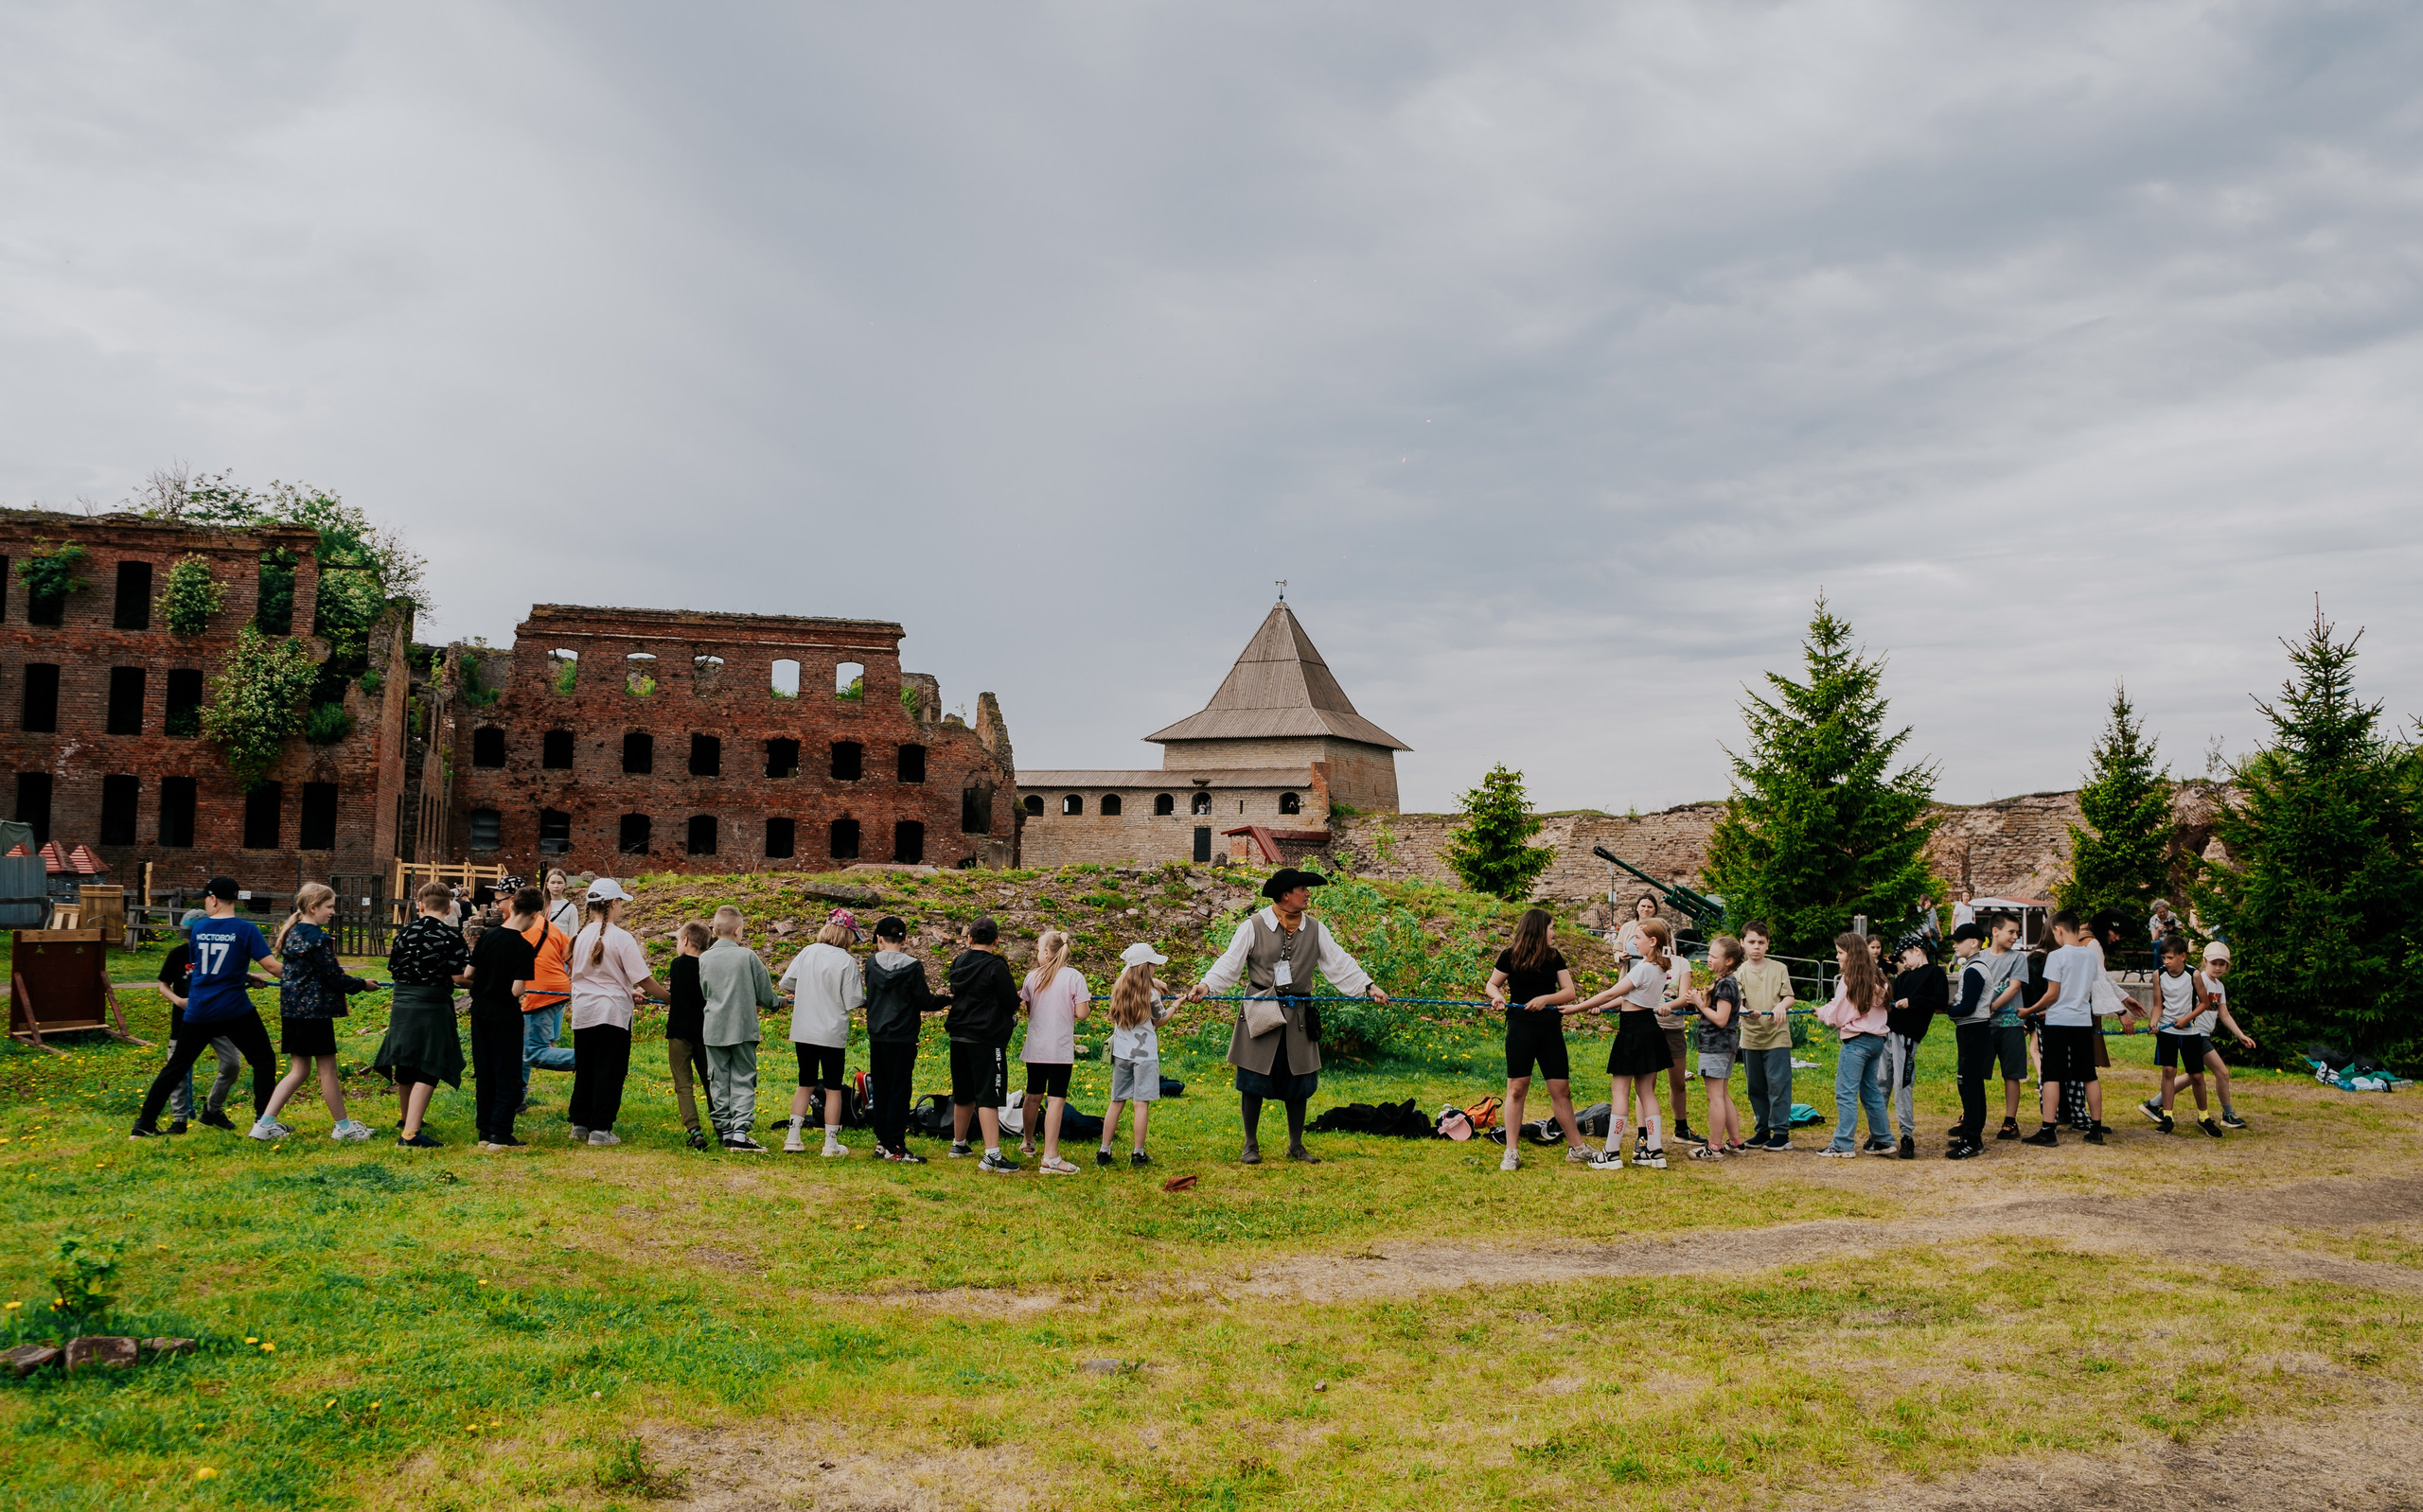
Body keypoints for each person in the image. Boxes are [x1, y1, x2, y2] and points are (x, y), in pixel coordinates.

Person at [1185, 867, 1388, 1166]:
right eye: (1303, 889)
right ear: (1285, 895)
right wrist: (1206, 985)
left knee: (1299, 1081)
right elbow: (1230, 962)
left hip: (1298, 1015)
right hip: (1260, 1011)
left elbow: (1339, 963)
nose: (1308, 894)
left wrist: (1368, 986)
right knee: (1253, 1079)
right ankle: (1250, 1145)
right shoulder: (1253, 926)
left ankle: (1296, 1145)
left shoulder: (1316, 929)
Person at [132, 878, 286, 1139]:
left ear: (213, 899)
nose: (205, 902)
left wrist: (244, 975)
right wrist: (309, 975)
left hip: (199, 1010)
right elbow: (272, 967)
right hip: (233, 1010)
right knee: (263, 1060)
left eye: (205, 898)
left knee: (176, 1067)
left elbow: (205, 965)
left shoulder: (200, 928)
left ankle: (143, 1124)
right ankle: (263, 1121)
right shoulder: (246, 929)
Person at [256, 883, 379, 1141]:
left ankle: (264, 1124)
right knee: (327, 1072)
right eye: (329, 906)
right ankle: (344, 1128)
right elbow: (334, 977)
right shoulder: (318, 939)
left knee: (299, 1071)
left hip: (292, 1011)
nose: (333, 912)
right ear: (313, 907)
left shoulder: (292, 934)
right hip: (315, 1014)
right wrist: (363, 985)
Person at [1483, 907, 1588, 1170]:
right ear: (1538, 929)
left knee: (1561, 1090)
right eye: (1551, 927)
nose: (1554, 932)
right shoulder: (1510, 956)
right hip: (1520, 1028)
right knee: (1517, 1089)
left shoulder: (1554, 957)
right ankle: (1511, 1151)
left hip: (1549, 1030)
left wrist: (1545, 999)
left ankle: (1577, 1148)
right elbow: (1491, 984)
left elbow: (1569, 992)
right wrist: (1497, 997)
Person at [566, 878, 668, 1148]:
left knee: (586, 1068)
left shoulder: (580, 936)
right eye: (620, 902)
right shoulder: (621, 937)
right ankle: (601, 1129)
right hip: (612, 1014)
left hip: (584, 1012)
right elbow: (643, 978)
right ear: (612, 903)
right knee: (609, 1070)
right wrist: (670, 998)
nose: (621, 907)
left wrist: (624, 989)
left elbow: (588, 976)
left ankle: (580, 1123)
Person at [1574, 916, 1678, 1169]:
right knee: (1647, 1092)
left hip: (1633, 1032)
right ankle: (1655, 1151)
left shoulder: (1642, 968)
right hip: (1649, 1031)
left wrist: (1576, 1007)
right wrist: (1599, 1007)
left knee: (1620, 1092)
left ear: (1653, 942)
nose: (1633, 942)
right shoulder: (1661, 968)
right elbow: (1626, 998)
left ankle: (1610, 1153)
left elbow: (1613, 992)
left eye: (1638, 938)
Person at [377, 882, 473, 1148]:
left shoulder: (404, 933)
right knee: (430, 1064)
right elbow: (459, 977)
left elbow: (393, 969)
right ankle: (410, 1135)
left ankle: (406, 1117)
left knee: (406, 1061)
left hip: (402, 1003)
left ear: (420, 905)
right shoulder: (451, 936)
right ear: (448, 907)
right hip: (431, 1004)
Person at [864, 914, 950, 1162]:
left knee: (880, 1089)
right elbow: (925, 1001)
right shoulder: (913, 966)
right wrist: (947, 998)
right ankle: (896, 1146)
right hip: (902, 1037)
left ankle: (882, 1141)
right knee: (899, 1091)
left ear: (879, 938)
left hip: (877, 1037)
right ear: (905, 939)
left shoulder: (871, 963)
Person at [780, 909, 865, 1156]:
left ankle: (793, 1137)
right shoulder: (846, 961)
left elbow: (786, 982)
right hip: (831, 1033)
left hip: (804, 1029)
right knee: (832, 1088)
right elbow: (853, 1001)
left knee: (804, 1084)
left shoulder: (808, 952)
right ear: (847, 934)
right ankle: (830, 1144)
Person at [2020, 910, 2110, 1147]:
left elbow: (2053, 994)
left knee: (2052, 1076)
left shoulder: (2056, 956)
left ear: (2058, 930)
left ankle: (2048, 1130)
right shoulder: (2090, 956)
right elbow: (2083, 990)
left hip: (2058, 1022)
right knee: (2088, 1075)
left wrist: (2029, 1010)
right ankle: (2096, 1128)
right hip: (2082, 1021)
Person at [466, 887, 542, 1151]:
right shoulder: (523, 946)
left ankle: (484, 1130)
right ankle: (501, 1132)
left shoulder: (488, 936)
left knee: (485, 1070)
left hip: (480, 1010)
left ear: (512, 906)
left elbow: (468, 972)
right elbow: (516, 989)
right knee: (507, 1072)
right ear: (535, 914)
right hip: (505, 1014)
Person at [699, 905, 779, 1153]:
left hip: (713, 1028)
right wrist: (777, 1003)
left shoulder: (704, 958)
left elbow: (704, 991)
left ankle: (724, 1130)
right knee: (743, 1077)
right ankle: (740, 1132)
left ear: (714, 930)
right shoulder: (747, 956)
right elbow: (765, 993)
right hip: (742, 1027)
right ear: (737, 930)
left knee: (718, 1079)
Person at [158, 909, 245, 1134]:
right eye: (187, 935)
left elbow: (231, 976)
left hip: (217, 1018)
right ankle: (179, 1120)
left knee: (232, 1065)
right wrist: (178, 1001)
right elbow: (163, 985)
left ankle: (213, 1110)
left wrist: (250, 979)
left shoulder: (218, 953)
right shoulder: (177, 955)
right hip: (184, 1021)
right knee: (177, 1070)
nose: (189, 940)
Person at [946, 916, 1022, 1172]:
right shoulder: (996, 966)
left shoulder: (958, 961)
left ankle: (959, 1143)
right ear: (996, 941)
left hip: (958, 1035)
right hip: (986, 1038)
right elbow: (1011, 1001)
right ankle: (992, 1154)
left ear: (969, 939)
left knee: (963, 1092)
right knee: (988, 1094)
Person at [1017, 930, 1090, 1175]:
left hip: (1036, 1047)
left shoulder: (1031, 977)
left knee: (1033, 1095)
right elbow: (1082, 1013)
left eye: (1038, 949)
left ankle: (1028, 1142)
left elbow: (1028, 1008)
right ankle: (1051, 1156)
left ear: (1046, 953)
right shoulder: (1074, 977)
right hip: (1059, 1048)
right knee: (1056, 1099)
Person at [1815, 933, 1892, 1157]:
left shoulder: (1850, 980)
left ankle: (1842, 1144)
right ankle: (1883, 1140)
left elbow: (1837, 1016)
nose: (1837, 957)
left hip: (1856, 1042)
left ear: (1852, 954)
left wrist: (1820, 1012)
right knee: (1870, 1092)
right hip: (1876, 1041)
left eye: (1840, 953)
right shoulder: (1878, 978)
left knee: (1845, 1092)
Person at [1100, 942, 1173, 1168]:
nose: (1155, 970)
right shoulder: (1151, 995)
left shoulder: (1119, 987)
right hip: (1145, 1056)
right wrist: (1176, 1006)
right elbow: (1160, 1020)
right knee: (1140, 1104)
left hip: (1121, 1054)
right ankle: (1138, 1153)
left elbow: (1128, 971)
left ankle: (1104, 1150)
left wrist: (1155, 981)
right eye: (1153, 966)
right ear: (1147, 968)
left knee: (1116, 1101)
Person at [1884, 940, 1946, 1160]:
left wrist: (1912, 1002)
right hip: (1887, 1034)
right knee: (1882, 1082)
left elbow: (1940, 1000)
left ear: (1917, 951)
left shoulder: (1935, 974)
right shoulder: (1904, 977)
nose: (1905, 963)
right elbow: (1890, 997)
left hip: (1907, 1036)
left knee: (1902, 1084)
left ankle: (1906, 1134)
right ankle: (1879, 1132)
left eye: (1905, 958)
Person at [1735, 922, 1795, 1151]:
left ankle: (1781, 1132)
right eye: (1751, 942)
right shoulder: (1739, 972)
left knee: (1778, 1084)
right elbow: (1737, 1003)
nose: (1756, 947)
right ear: (1742, 943)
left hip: (1777, 1036)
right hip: (1750, 1037)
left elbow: (1789, 997)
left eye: (1761, 942)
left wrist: (1781, 1006)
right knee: (1756, 1086)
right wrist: (1743, 1012)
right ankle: (1762, 1130)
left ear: (1768, 944)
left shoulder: (1779, 968)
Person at [1687, 936, 1747, 1159]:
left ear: (1729, 960)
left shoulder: (1725, 984)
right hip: (1725, 1045)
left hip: (1716, 1045)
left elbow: (1721, 1019)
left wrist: (1698, 1003)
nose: (1708, 959)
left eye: (1714, 956)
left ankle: (1714, 1147)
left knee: (1715, 1097)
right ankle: (1736, 1142)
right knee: (1722, 1094)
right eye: (1709, 954)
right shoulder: (1726, 982)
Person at [1973, 914, 2032, 1140]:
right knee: (1976, 1072)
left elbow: (2014, 988)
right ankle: (1971, 1114)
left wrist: (1992, 1007)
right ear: (1995, 932)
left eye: (2017, 932)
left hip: (2010, 1025)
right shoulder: (1979, 958)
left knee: (2012, 1073)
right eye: (2011, 932)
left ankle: (2010, 1121)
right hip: (1983, 1026)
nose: (2015, 937)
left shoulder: (2018, 959)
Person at [521, 879, 577, 1105]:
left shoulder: (521, 928)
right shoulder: (548, 926)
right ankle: (518, 1098)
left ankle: (593, 1058)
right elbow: (571, 954)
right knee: (523, 1046)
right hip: (557, 989)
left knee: (534, 1051)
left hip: (539, 992)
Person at [664, 921, 717, 1151]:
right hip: (705, 1034)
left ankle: (694, 1130)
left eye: (678, 940)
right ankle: (722, 1125)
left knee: (683, 1084)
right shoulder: (710, 967)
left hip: (679, 1033)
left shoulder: (678, 965)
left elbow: (675, 995)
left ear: (685, 941)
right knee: (711, 1083)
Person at [1941, 923, 1992, 1159]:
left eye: (1958, 941)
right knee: (1970, 1084)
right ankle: (1970, 1134)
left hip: (1974, 1030)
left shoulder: (1974, 969)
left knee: (1970, 1085)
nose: (1954, 945)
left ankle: (1973, 1139)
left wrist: (1946, 1009)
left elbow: (1968, 1006)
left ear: (1974, 943)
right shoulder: (1972, 967)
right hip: (1972, 1030)